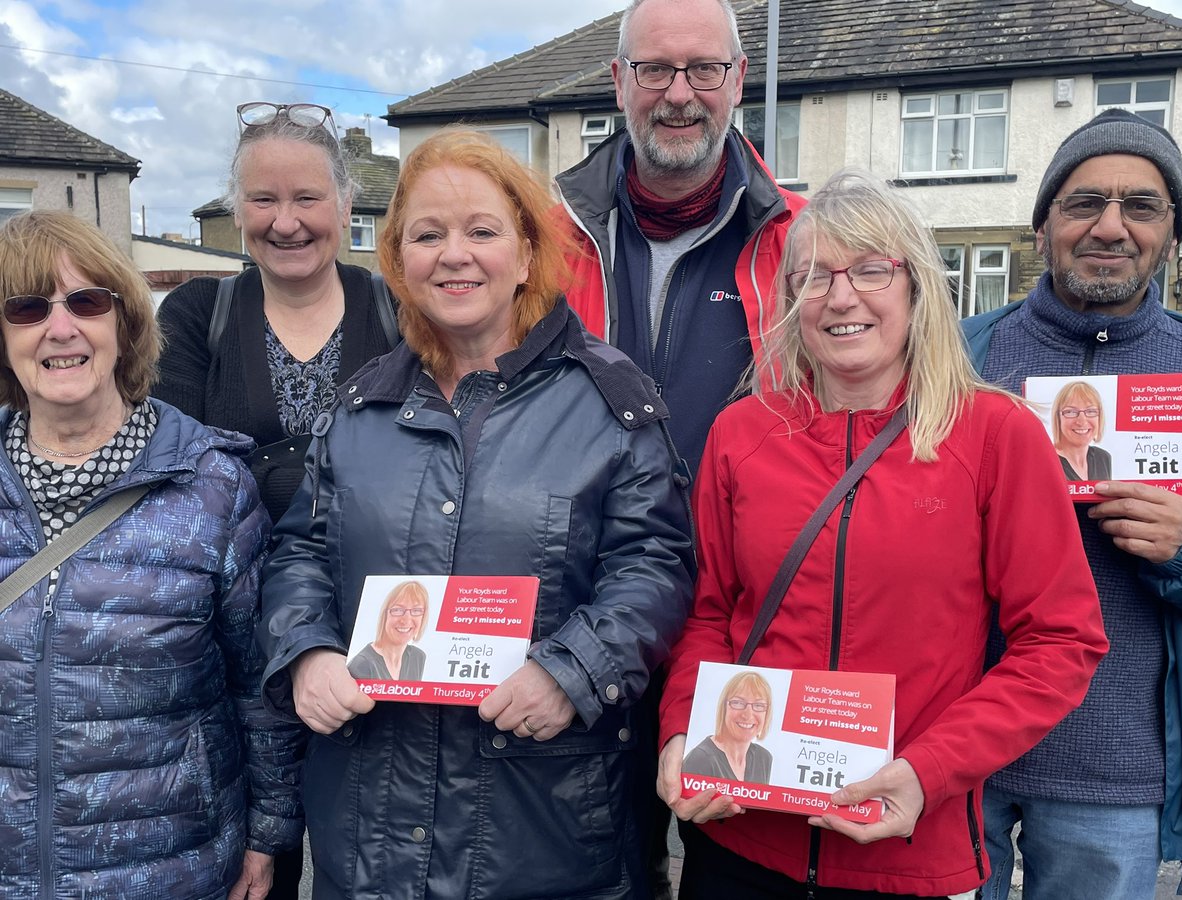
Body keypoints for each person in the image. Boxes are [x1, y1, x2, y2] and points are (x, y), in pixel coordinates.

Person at [256, 130, 694, 900]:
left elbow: (655, 566)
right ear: (398, 261)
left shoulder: (612, 404)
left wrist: (574, 670)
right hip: (371, 830)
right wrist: (307, 653)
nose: (454, 254)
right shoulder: (362, 407)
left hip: (541, 828)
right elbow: (301, 553)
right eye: (427, 235)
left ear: (526, 254)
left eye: (482, 231)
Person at [656, 170, 1109, 899]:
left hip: (905, 848)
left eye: (871, 269)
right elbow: (709, 612)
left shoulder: (996, 437)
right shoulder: (741, 433)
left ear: (916, 287)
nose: (841, 297)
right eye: (813, 276)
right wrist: (682, 731)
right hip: (740, 837)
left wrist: (928, 772)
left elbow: (1060, 643)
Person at [0, 211, 303, 900]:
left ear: (124, 322)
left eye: (86, 301)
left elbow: (260, 685)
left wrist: (269, 836)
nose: (60, 328)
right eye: (26, 308)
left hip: (172, 868)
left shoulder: (211, 487)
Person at [964, 109, 1182, 899]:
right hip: (957, 747)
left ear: (1173, 235)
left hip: (1119, 763)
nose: (1110, 227)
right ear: (1041, 229)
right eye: (1082, 203)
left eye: (1141, 206)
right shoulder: (962, 352)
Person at [557, 0, 806, 479]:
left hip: (743, 549)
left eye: (704, 68)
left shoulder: (808, 245)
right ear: (618, 81)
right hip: (586, 551)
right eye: (653, 69)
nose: (677, 94)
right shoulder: (542, 245)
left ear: (737, 80)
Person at [155, 101, 399, 523]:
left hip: (376, 578)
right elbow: (168, 469)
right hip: (234, 579)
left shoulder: (398, 309)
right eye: (263, 199)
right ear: (237, 209)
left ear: (345, 206)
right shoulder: (196, 314)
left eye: (307, 198)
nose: (285, 223)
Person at [682, 671, 773, 784]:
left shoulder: (764, 758)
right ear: (724, 707)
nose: (748, 715)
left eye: (759, 705)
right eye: (738, 703)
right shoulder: (700, 759)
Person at [347, 580, 428, 681]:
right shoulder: (362, 664)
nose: (406, 620)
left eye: (416, 610)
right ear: (384, 615)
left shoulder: (418, 657)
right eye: (398, 610)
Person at [1050, 381, 1112, 481]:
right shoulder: (1047, 461)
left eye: (1091, 411)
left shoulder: (1103, 458)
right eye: (1071, 412)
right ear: (1057, 418)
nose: (1082, 422)